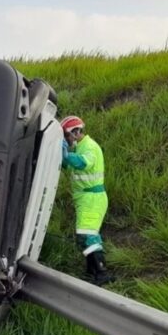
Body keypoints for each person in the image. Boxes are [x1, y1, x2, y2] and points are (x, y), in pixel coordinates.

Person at [61, 115, 114, 285]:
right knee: (84, 236)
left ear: (75, 133)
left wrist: (66, 155)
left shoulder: (90, 147)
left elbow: (84, 163)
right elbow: (68, 166)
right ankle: (91, 271)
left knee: (89, 235)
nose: (66, 140)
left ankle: (102, 272)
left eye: (66, 136)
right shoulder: (79, 148)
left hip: (93, 197)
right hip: (85, 198)